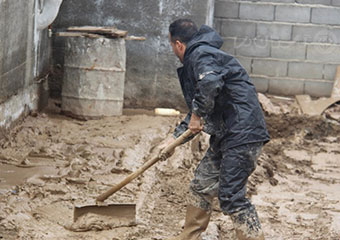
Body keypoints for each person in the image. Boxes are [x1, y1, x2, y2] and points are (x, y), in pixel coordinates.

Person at [164, 19, 270, 240]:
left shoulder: (201, 55)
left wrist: (197, 114)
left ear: (178, 44)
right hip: (227, 134)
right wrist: (172, 141)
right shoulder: (203, 55)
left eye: (172, 46)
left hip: (242, 134)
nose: (173, 50)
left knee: (232, 197)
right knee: (200, 185)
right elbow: (199, 104)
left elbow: (210, 83)